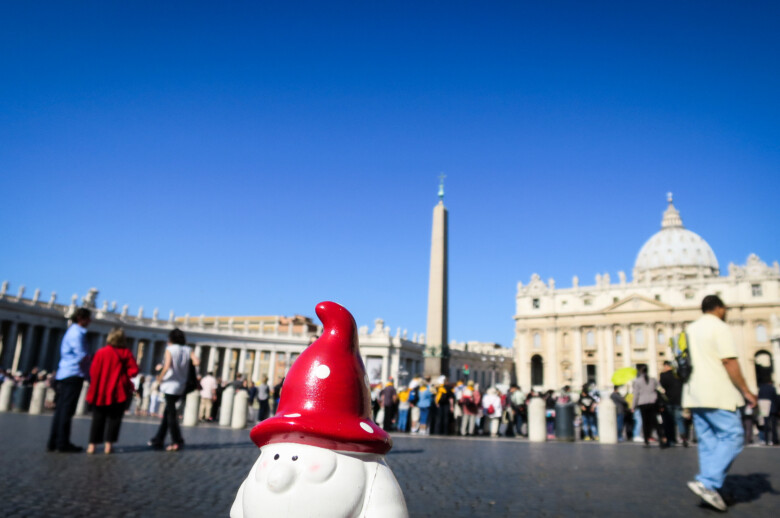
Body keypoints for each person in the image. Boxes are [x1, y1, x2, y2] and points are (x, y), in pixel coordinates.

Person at [684, 295, 758, 511]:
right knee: (734, 436)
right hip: (717, 392)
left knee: (708, 442)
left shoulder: (689, 329)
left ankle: (711, 490)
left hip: (694, 394)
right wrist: (745, 390)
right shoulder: (719, 327)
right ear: (719, 308)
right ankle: (707, 482)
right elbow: (729, 360)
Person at [85, 327, 139, 454]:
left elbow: (93, 371)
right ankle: (108, 445)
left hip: (101, 389)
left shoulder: (101, 352)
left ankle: (92, 445)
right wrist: (125, 374)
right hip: (118, 390)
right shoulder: (125, 353)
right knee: (114, 419)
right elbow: (134, 371)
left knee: (98, 418)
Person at [47, 307, 91, 453]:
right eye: (88, 318)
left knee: (60, 410)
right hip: (73, 374)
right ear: (81, 319)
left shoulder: (71, 331)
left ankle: (53, 441)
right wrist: (89, 374)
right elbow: (82, 357)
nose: (90, 321)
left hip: (64, 373)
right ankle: (62, 443)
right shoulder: (78, 333)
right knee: (67, 410)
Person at [148, 328, 199, 451]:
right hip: (181, 385)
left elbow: (166, 366)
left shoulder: (170, 349)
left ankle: (177, 440)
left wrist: (159, 378)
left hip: (169, 385)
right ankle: (158, 439)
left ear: (171, 338)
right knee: (167, 413)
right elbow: (196, 362)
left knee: (171, 415)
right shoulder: (188, 349)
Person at [632, 365, 668, 448]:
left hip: (642, 403)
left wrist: (633, 406)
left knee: (645, 423)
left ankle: (646, 440)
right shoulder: (653, 380)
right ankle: (660, 438)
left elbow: (636, 395)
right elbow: (661, 389)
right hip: (653, 402)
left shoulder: (637, 381)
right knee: (656, 422)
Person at [660, 360, 686, 446]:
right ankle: (683, 438)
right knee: (679, 420)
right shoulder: (678, 375)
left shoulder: (663, 375)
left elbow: (663, 385)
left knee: (669, 421)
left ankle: (671, 440)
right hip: (679, 400)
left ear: (666, 366)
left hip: (669, 401)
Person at [757, 380, 777, 445]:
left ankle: (766, 440)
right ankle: (774, 440)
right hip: (773, 408)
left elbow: (759, 397)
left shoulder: (761, 388)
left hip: (764, 408)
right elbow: (775, 398)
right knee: (774, 425)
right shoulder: (772, 388)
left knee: (765, 424)